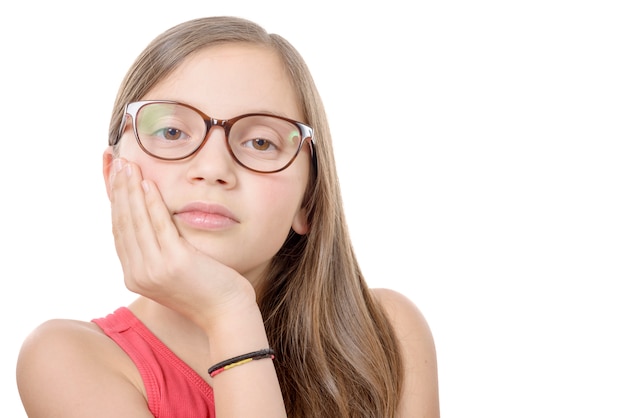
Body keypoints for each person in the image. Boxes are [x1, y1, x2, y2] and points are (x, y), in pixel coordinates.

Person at [16, 16, 439, 418]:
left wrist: (228, 313)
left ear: (309, 201)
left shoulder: (386, 333)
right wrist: (229, 312)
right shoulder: (66, 357)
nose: (214, 168)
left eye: (259, 141)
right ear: (113, 176)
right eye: (172, 132)